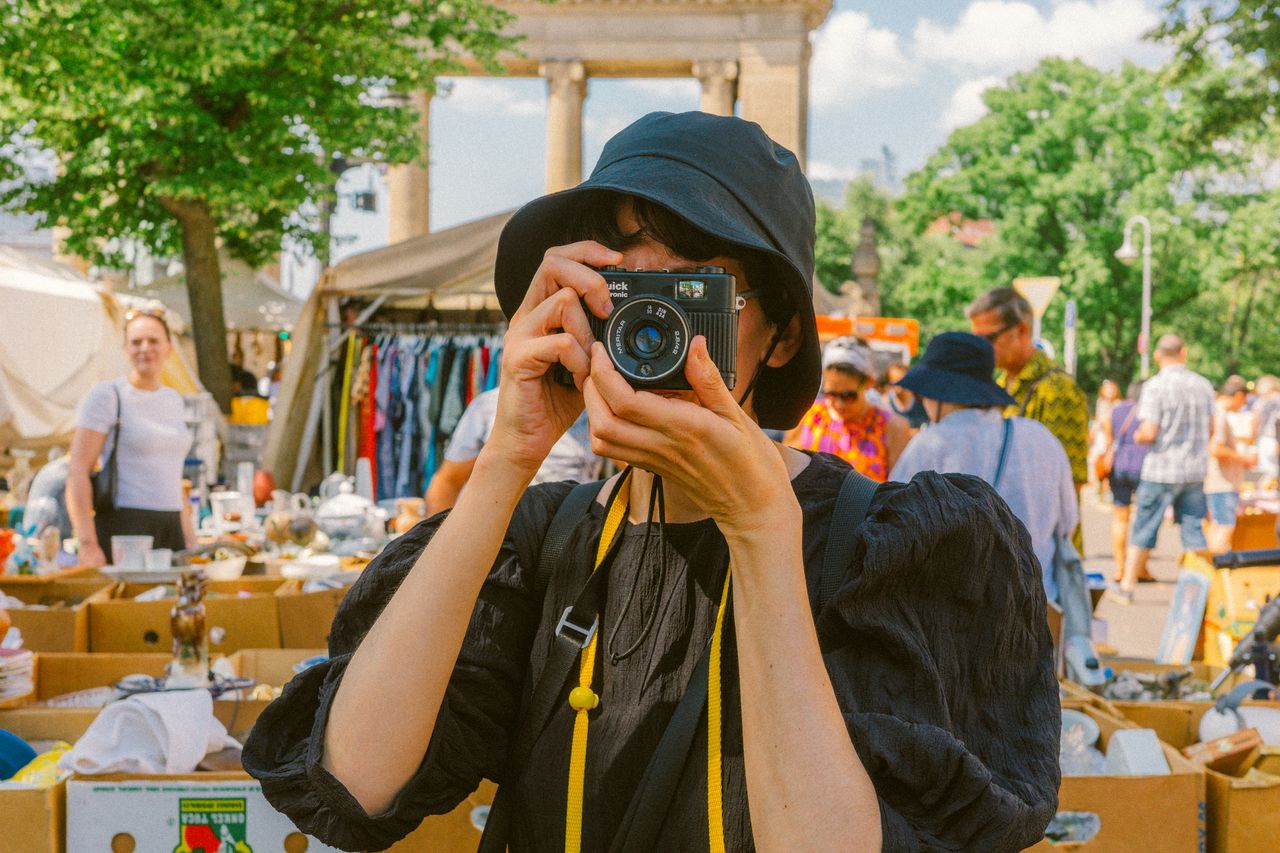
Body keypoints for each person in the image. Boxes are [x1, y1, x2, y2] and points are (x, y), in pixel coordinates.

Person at [243, 111, 1058, 852]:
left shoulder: (901, 549)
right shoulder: (541, 540)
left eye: (690, 290)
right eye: (621, 290)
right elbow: (357, 782)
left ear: (777, 336)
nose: (650, 325)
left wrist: (761, 530)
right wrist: (506, 456)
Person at [889, 333, 1078, 604]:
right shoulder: (1041, 438)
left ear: (938, 392)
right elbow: (1067, 524)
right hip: (1035, 607)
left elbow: (895, 529)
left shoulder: (931, 443)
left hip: (955, 612)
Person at [66, 307, 195, 567]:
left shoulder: (173, 400)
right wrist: (88, 543)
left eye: (153, 341)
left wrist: (190, 539)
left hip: (171, 525)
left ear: (168, 348)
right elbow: (78, 470)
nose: (145, 348)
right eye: (136, 342)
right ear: (126, 349)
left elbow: (173, 476)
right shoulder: (108, 395)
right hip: (125, 525)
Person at [1113, 334, 1215, 604]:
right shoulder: (1203, 385)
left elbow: (1148, 431)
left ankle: (1127, 586)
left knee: (1145, 526)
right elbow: (1212, 429)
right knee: (1193, 530)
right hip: (1193, 469)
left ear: (1158, 356)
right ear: (1184, 352)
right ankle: (1203, 591)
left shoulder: (1155, 386)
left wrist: (1138, 438)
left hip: (1161, 470)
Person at [967, 288, 1090, 491]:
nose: (980, 348)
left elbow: (1068, 482)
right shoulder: (999, 384)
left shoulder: (1058, 388)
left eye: (988, 339)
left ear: (1021, 331)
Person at [424, 387, 604, 515]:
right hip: (499, 539)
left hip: (568, 534)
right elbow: (448, 481)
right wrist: (434, 546)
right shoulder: (489, 406)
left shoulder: (596, 410)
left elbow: (629, 471)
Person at [784, 337, 909, 481]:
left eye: (848, 396)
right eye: (831, 394)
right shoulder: (805, 417)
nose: (838, 404)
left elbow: (900, 492)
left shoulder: (892, 427)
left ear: (868, 383)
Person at [1102, 381, 1149, 583]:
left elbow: (1108, 437)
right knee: (1145, 520)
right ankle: (1140, 567)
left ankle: (1120, 568)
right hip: (1143, 466)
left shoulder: (1115, 410)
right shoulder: (1148, 411)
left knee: (1120, 517)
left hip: (1118, 466)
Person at [1205, 375, 1257, 552]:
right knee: (1225, 526)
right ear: (1239, 396)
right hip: (1221, 482)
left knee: (1218, 525)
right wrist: (1244, 458)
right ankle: (1215, 572)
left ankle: (1211, 571)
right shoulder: (1219, 412)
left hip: (1220, 481)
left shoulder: (1217, 411)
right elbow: (1216, 449)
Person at [1090, 379, 1121, 498]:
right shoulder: (1101, 403)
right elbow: (1099, 421)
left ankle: (1108, 490)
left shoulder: (1118, 404)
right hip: (1101, 438)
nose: (1110, 392)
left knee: (1110, 464)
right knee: (1098, 462)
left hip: (1113, 436)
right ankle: (1099, 490)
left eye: (1112, 389)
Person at [884, 360, 929, 431]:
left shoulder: (921, 399)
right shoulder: (887, 404)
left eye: (901, 379)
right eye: (894, 379)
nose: (897, 383)